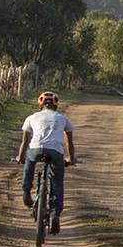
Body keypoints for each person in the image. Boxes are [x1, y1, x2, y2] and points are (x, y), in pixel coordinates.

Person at [16, 90, 76, 233]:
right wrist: (71, 159)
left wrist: (20, 157)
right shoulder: (63, 119)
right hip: (56, 152)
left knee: (29, 162)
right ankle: (55, 213)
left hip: (36, 149)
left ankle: (26, 192)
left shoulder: (31, 117)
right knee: (57, 181)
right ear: (56, 105)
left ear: (40, 104)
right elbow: (70, 143)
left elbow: (25, 142)